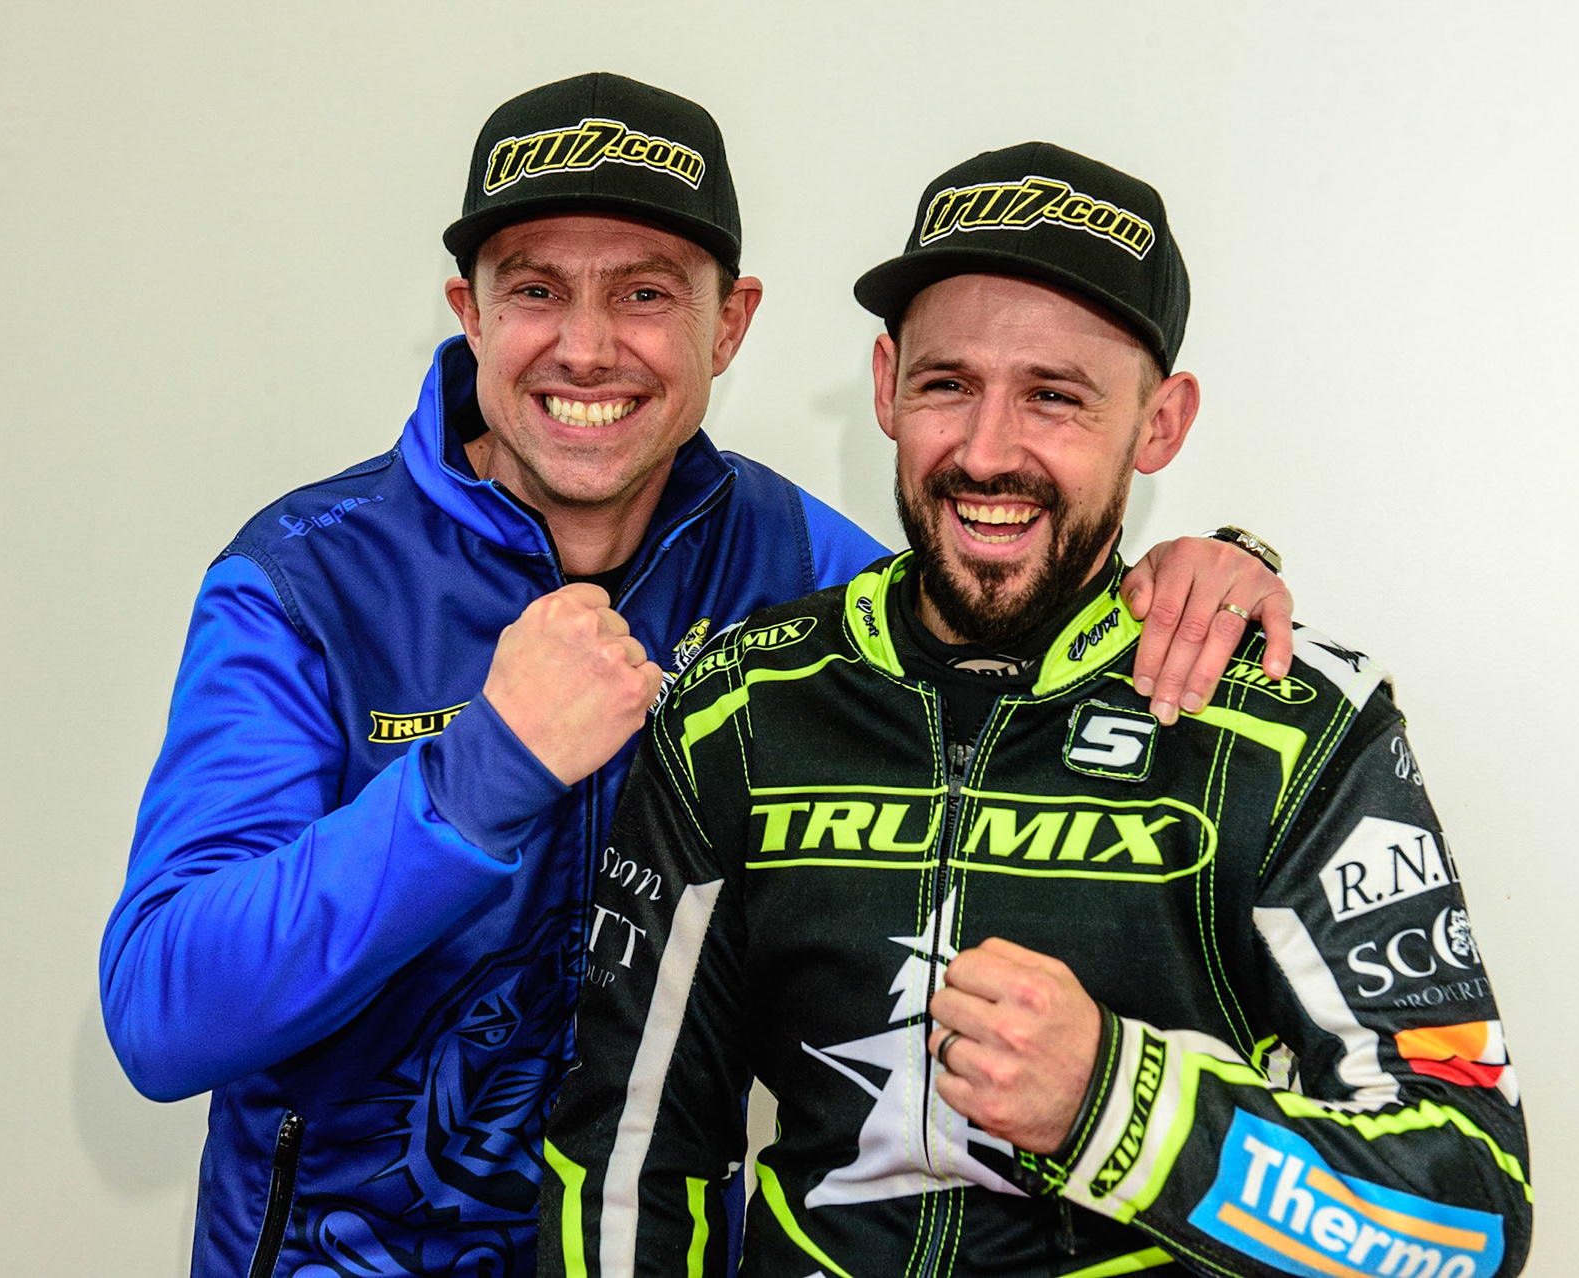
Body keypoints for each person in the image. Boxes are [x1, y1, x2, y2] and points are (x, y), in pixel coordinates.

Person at [98, 78, 1292, 1278]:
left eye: (646, 293)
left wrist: (1203, 574)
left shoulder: (797, 568)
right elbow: (161, 1015)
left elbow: (1005, 602)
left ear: (731, 324)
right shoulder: (306, 583)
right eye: (534, 289)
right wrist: (481, 770)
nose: (584, 346)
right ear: (468, 312)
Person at [538, 143, 1531, 1278]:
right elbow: (630, 1161)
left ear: (1160, 424)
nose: (987, 452)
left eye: (1055, 396)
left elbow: (1470, 1219)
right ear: (883, 386)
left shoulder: (1295, 733)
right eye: (947, 385)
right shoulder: (739, 706)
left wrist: (1120, 1106)